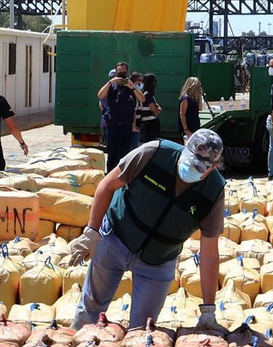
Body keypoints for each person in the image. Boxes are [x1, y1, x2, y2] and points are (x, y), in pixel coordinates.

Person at [65, 129, 228, 332]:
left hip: (158, 261)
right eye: (189, 162)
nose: (189, 170)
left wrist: (208, 309)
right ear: (184, 147)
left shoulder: (213, 191)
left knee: (142, 330)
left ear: (211, 169)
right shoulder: (154, 153)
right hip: (116, 237)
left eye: (197, 168)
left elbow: (210, 253)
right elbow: (107, 185)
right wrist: (92, 232)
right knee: (90, 308)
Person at [97, 62, 141, 168]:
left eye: (123, 72)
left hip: (126, 124)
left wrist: (133, 87)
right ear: (116, 72)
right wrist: (109, 82)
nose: (121, 74)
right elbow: (100, 95)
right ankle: (110, 174)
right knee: (112, 153)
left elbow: (142, 98)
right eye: (119, 72)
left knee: (124, 153)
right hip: (113, 124)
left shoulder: (131, 87)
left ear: (127, 72)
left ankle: (122, 176)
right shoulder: (112, 86)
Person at [135, 72, 162, 143]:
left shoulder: (143, 93)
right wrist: (159, 108)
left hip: (145, 123)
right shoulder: (148, 95)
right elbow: (155, 111)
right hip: (150, 124)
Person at [177, 76, 204, 141]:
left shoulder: (193, 99)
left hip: (194, 126)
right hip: (188, 128)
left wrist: (200, 96)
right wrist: (186, 130)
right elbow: (182, 114)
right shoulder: (185, 98)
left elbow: (200, 108)